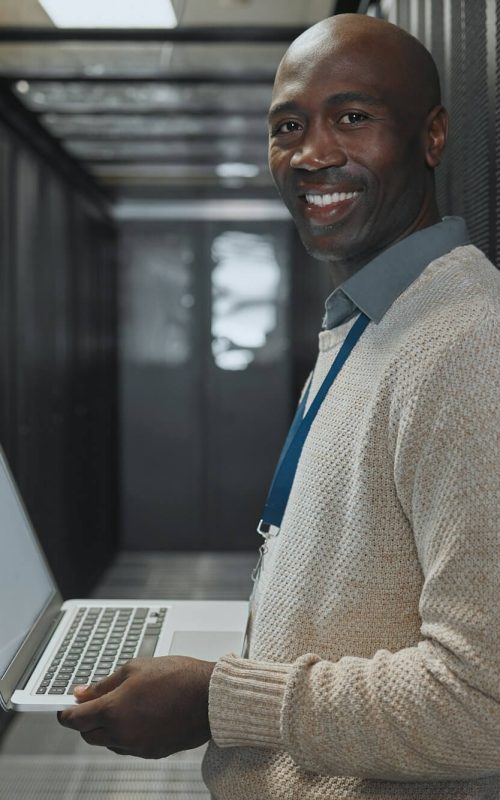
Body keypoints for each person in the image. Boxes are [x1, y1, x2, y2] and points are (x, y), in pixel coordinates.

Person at [59, 13, 500, 799]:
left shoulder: (468, 344)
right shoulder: (369, 319)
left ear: (432, 137)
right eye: (288, 125)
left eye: (353, 118)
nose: (311, 153)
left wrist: (216, 700)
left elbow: (482, 703)